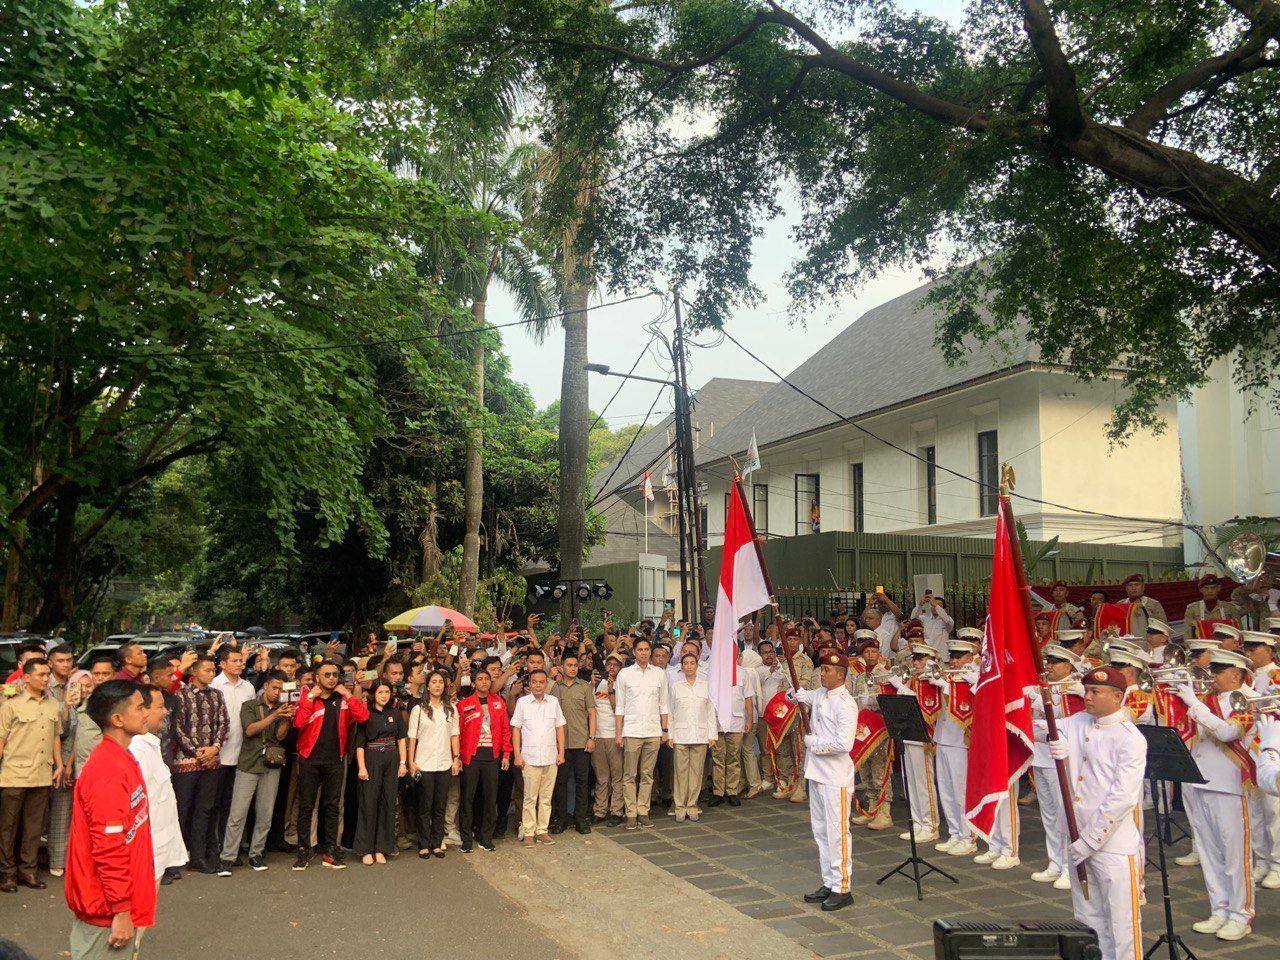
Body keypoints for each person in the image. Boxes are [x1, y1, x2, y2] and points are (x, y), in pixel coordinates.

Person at [1045, 666, 1147, 960]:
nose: (1087, 697)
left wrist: (1089, 841)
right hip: (1076, 836)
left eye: (1095, 692)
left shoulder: (1130, 738)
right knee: (1088, 919)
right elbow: (1040, 727)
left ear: (1117, 697)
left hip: (1111, 845)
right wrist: (1049, 734)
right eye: (1087, 690)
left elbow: (1121, 799)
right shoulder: (1079, 721)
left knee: (1122, 924)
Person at [64, 680, 156, 959]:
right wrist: (121, 910)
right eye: (140, 707)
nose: (147, 712)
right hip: (105, 910)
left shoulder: (121, 758)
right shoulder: (108, 770)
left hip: (114, 903)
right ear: (117, 719)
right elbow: (108, 847)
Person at [1176, 648, 1257, 941]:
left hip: (1230, 785)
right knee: (1209, 854)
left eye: (1218, 672)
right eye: (1212, 671)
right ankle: (1219, 909)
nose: (1212, 677)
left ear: (1236, 675)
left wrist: (1194, 704)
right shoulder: (1207, 700)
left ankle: (1241, 914)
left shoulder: (1247, 700)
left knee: (1235, 856)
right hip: (1202, 780)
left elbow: (1226, 733)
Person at [788, 649, 857, 912]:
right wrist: (793, 694)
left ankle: (842, 887)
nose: (822, 673)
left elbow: (843, 744)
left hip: (835, 776)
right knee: (820, 831)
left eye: (827, 670)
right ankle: (829, 881)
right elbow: (803, 695)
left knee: (837, 833)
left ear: (840, 675)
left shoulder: (846, 703)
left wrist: (814, 743)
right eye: (823, 668)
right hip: (817, 773)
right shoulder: (821, 694)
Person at [291, 660, 369, 871]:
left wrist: (348, 694)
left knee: (333, 807)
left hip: (335, 759)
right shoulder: (308, 696)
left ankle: (330, 851)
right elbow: (298, 722)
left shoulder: (342, 698)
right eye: (327, 674)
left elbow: (363, 716)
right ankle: (303, 851)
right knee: (306, 807)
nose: (332, 678)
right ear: (317, 677)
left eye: (335, 674)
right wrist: (310, 697)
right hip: (309, 759)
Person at [217, 670, 293, 875]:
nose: (277, 692)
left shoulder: (283, 708)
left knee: (265, 814)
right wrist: (275, 715)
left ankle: (256, 853)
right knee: (237, 814)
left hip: (271, 765)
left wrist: (286, 719)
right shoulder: (250, 705)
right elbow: (250, 730)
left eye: (281, 689)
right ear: (266, 686)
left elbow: (280, 736)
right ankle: (227, 857)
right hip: (249, 764)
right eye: (274, 687)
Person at [0, 657, 64, 892]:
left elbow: (55, 736)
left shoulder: (53, 704)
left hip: (41, 773)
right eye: (41, 675)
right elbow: (1, 740)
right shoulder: (11, 705)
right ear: (26, 678)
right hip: (13, 774)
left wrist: (59, 765)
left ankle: (28, 871)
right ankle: (7, 873)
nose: (46, 679)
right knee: (8, 828)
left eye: (48, 674)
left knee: (34, 828)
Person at [1029, 644, 1085, 890]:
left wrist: (1038, 700)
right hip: (1040, 753)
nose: (1049, 666)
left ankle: (1069, 867)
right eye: (1048, 662)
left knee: (1065, 815)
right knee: (1049, 814)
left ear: (1069, 666)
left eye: (1055, 662)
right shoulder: (1045, 684)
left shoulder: (1075, 687)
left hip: (1060, 757)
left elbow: (1067, 716)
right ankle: (1055, 862)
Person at [171, 655, 228, 875]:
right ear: (193, 672)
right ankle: (174, 860)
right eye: (207, 670)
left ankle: (199, 856)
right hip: (186, 762)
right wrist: (197, 752)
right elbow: (177, 728)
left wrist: (215, 747)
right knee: (182, 810)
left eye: (213, 670)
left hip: (212, 761)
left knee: (205, 810)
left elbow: (224, 723)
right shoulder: (180, 695)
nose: (212, 674)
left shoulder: (217, 695)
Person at [884, 643, 943, 846]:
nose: (916, 663)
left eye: (921, 659)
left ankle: (930, 825)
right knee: (910, 783)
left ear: (931, 660)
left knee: (923, 783)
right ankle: (918, 822)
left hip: (922, 736)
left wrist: (902, 688)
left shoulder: (931, 681)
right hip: (908, 733)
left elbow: (927, 707)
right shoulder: (914, 679)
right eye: (915, 659)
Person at [129, 688, 187, 885]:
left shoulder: (151, 744)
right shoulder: (137, 749)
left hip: (159, 849)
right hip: (146, 851)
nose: (165, 711)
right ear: (143, 710)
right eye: (160, 707)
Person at [929, 637, 979, 858]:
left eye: (960, 657)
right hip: (943, 737)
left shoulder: (974, 676)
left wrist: (948, 685)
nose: (955, 661)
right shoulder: (948, 675)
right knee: (946, 791)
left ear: (970, 657)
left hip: (960, 741)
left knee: (961, 792)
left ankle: (968, 836)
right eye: (953, 657)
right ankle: (954, 833)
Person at [614, 638, 670, 829]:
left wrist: (664, 729)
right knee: (629, 774)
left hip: (653, 730)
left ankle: (643, 811)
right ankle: (630, 813)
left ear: (650, 652)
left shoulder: (659, 673)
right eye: (640, 649)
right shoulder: (625, 674)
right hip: (631, 730)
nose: (644, 653)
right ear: (634, 652)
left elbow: (664, 703)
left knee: (647, 774)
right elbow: (620, 706)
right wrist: (619, 732)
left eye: (647, 649)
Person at [209, 648, 256, 865]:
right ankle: (213, 848)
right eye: (235, 661)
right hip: (218, 754)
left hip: (242, 755)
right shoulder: (214, 685)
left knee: (234, 806)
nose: (239, 664)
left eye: (241, 661)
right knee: (214, 804)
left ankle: (230, 848)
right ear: (222, 664)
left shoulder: (248, 687)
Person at [353, 679, 408, 865]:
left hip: (391, 759)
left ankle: (381, 848)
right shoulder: (366, 713)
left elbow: (401, 739)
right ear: (373, 694)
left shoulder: (395, 713)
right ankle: (366, 849)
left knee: (388, 803)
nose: (384, 696)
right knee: (369, 803)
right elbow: (360, 744)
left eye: (387, 692)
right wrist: (362, 767)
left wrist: (403, 763)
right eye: (380, 692)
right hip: (371, 759)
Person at [456, 667, 510, 852]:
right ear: (473, 683)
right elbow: (458, 732)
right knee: (467, 799)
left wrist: (506, 754)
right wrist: (458, 757)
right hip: (470, 758)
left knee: (490, 798)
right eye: (480, 679)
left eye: (487, 679)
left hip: (492, 757)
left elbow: (505, 730)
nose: (484, 682)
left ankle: (486, 838)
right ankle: (466, 839)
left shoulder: (499, 702)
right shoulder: (464, 704)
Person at [407, 670, 458, 858]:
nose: (437, 685)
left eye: (440, 682)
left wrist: (456, 758)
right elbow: (412, 738)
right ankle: (423, 844)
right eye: (434, 682)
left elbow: (454, 735)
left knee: (440, 805)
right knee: (425, 806)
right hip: (424, 764)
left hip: (444, 763)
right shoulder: (419, 709)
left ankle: (436, 843)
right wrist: (411, 762)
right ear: (427, 686)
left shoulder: (451, 709)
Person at [511, 669, 565, 846]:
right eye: (534, 682)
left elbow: (559, 727)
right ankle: (528, 831)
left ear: (546, 683)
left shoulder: (553, 702)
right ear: (530, 683)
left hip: (550, 757)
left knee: (546, 798)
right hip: (530, 758)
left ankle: (542, 830)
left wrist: (561, 753)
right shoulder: (522, 702)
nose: (538, 685)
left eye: (542, 682)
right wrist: (517, 754)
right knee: (530, 797)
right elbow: (516, 729)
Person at [549, 651, 596, 835]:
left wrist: (592, 737)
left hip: (581, 742)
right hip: (560, 744)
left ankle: (580, 819)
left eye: (575, 665)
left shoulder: (584, 687)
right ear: (562, 667)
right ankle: (561, 819)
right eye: (569, 665)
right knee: (560, 783)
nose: (573, 668)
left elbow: (592, 713)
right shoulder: (555, 688)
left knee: (582, 782)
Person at [45, 644, 81, 879]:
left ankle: (59, 861)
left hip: (70, 754)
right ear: (50, 663)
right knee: (36, 814)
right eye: (60, 660)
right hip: (43, 754)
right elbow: (57, 727)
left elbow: (77, 726)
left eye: (69, 660)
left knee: (62, 810)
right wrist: (65, 707)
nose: (66, 664)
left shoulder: (76, 684)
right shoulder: (44, 686)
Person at [668, 652, 716, 822]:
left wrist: (712, 735)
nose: (689, 666)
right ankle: (680, 807)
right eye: (686, 663)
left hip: (700, 735)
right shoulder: (676, 686)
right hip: (680, 736)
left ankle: (692, 806)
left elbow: (710, 712)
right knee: (680, 773)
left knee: (696, 773)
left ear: (697, 666)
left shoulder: (706, 686)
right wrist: (670, 735)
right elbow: (671, 712)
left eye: (692, 663)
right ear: (682, 667)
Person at [708, 646, 756, 807]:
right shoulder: (714, 673)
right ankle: (718, 792)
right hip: (717, 722)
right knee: (718, 758)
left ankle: (732, 791)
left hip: (736, 721)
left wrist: (749, 720)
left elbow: (748, 698)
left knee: (734, 758)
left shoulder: (743, 673)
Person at [590, 654, 626, 826]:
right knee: (601, 776)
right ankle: (600, 810)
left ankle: (616, 811)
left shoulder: (623, 684)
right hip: (598, 735)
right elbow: (589, 706)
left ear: (621, 668)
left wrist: (611, 690)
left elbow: (618, 709)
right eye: (609, 664)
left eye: (616, 665)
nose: (612, 667)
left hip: (614, 734)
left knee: (618, 776)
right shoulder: (597, 683)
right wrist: (591, 685)